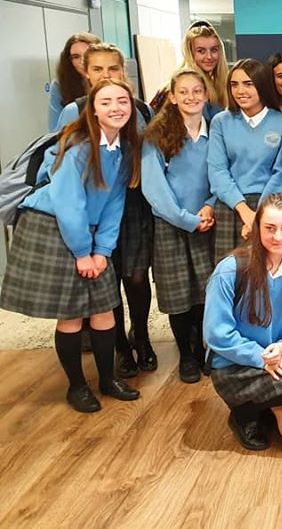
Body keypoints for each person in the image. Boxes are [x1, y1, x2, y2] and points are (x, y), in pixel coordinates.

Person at [0, 79, 142, 412]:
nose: (116, 108)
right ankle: (77, 387)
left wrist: (102, 251)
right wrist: (82, 253)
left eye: (122, 101)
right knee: (73, 314)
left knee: (104, 307)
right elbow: (69, 203)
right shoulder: (78, 144)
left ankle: (107, 380)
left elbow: (115, 203)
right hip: (52, 227)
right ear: (93, 110)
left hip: (88, 230)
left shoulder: (124, 148)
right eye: (106, 102)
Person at [56, 43, 156, 379]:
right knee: (106, 280)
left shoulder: (139, 108)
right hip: (93, 210)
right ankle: (120, 347)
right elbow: (63, 169)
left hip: (134, 203)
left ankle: (141, 336)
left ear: (122, 71)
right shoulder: (74, 110)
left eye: (112, 68)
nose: (105, 75)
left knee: (137, 277)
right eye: (97, 69)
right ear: (86, 72)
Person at [204, 193, 282, 451]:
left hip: (279, 359)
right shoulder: (230, 269)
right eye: (270, 228)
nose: (278, 236)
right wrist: (261, 358)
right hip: (236, 367)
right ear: (257, 229)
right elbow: (217, 333)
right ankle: (244, 413)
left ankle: (267, 405)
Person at [141, 69, 216, 383]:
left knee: (204, 291)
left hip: (207, 221)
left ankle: (203, 351)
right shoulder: (157, 135)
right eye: (183, 91)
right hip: (173, 225)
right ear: (172, 97)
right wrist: (187, 220)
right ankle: (185, 354)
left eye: (197, 91)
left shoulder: (215, 130)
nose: (191, 97)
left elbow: (222, 174)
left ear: (206, 95)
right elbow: (154, 188)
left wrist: (211, 205)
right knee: (178, 294)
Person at [208, 59, 282, 261]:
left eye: (248, 84)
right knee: (230, 272)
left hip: (270, 207)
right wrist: (244, 211)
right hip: (231, 206)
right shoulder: (221, 121)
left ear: (261, 85)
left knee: (267, 270)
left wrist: (260, 215)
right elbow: (217, 170)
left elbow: (281, 174)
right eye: (234, 85)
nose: (240, 91)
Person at [149, 21, 229, 121]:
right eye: (201, 51)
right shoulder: (175, 88)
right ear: (190, 53)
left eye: (214, 50)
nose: (209, 57)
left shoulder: (218, 85)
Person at [48, 32, 100, 131]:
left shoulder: (114, 82)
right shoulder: (59, 85)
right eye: (76, 57)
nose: (82, 61)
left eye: (87, 54)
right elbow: (55, 131)